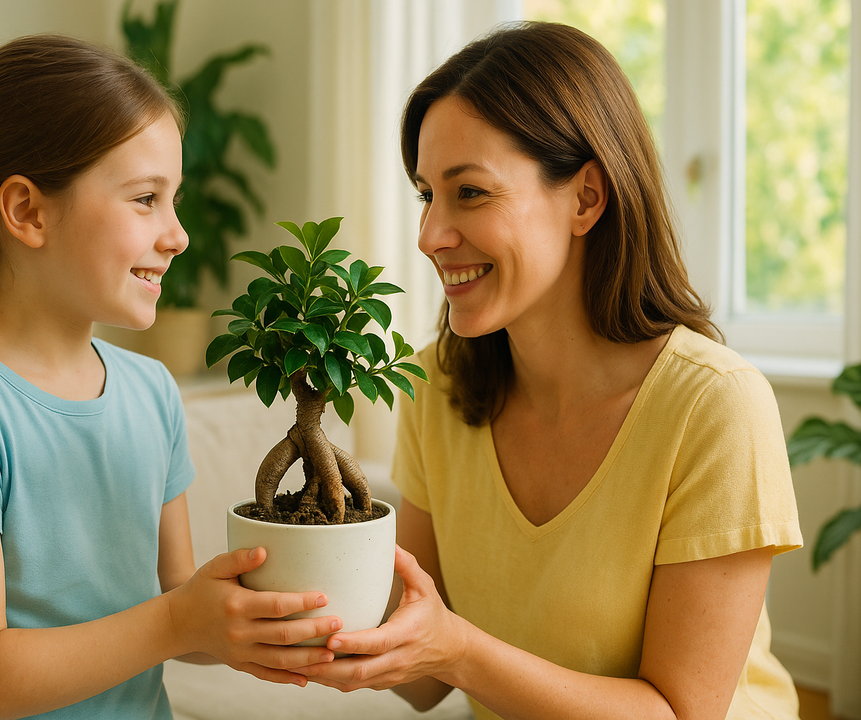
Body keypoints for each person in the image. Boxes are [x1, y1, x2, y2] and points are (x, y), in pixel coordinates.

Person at [298, 21, 804, 720]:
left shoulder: (716, 406)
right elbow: (419, 680)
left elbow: (680, 713)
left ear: (586, 199)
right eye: (425, 195)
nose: (429, 236)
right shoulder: (435, 386)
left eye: (469, 192)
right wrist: (308, 607)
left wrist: (458, 650)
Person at [0, 34, 341, 720]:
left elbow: (174, 595)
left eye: (174, 200)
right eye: (146, 198)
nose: (178, 234)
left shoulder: (152, 394)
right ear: (28, 212)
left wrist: (260, 628)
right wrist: (180, 620)